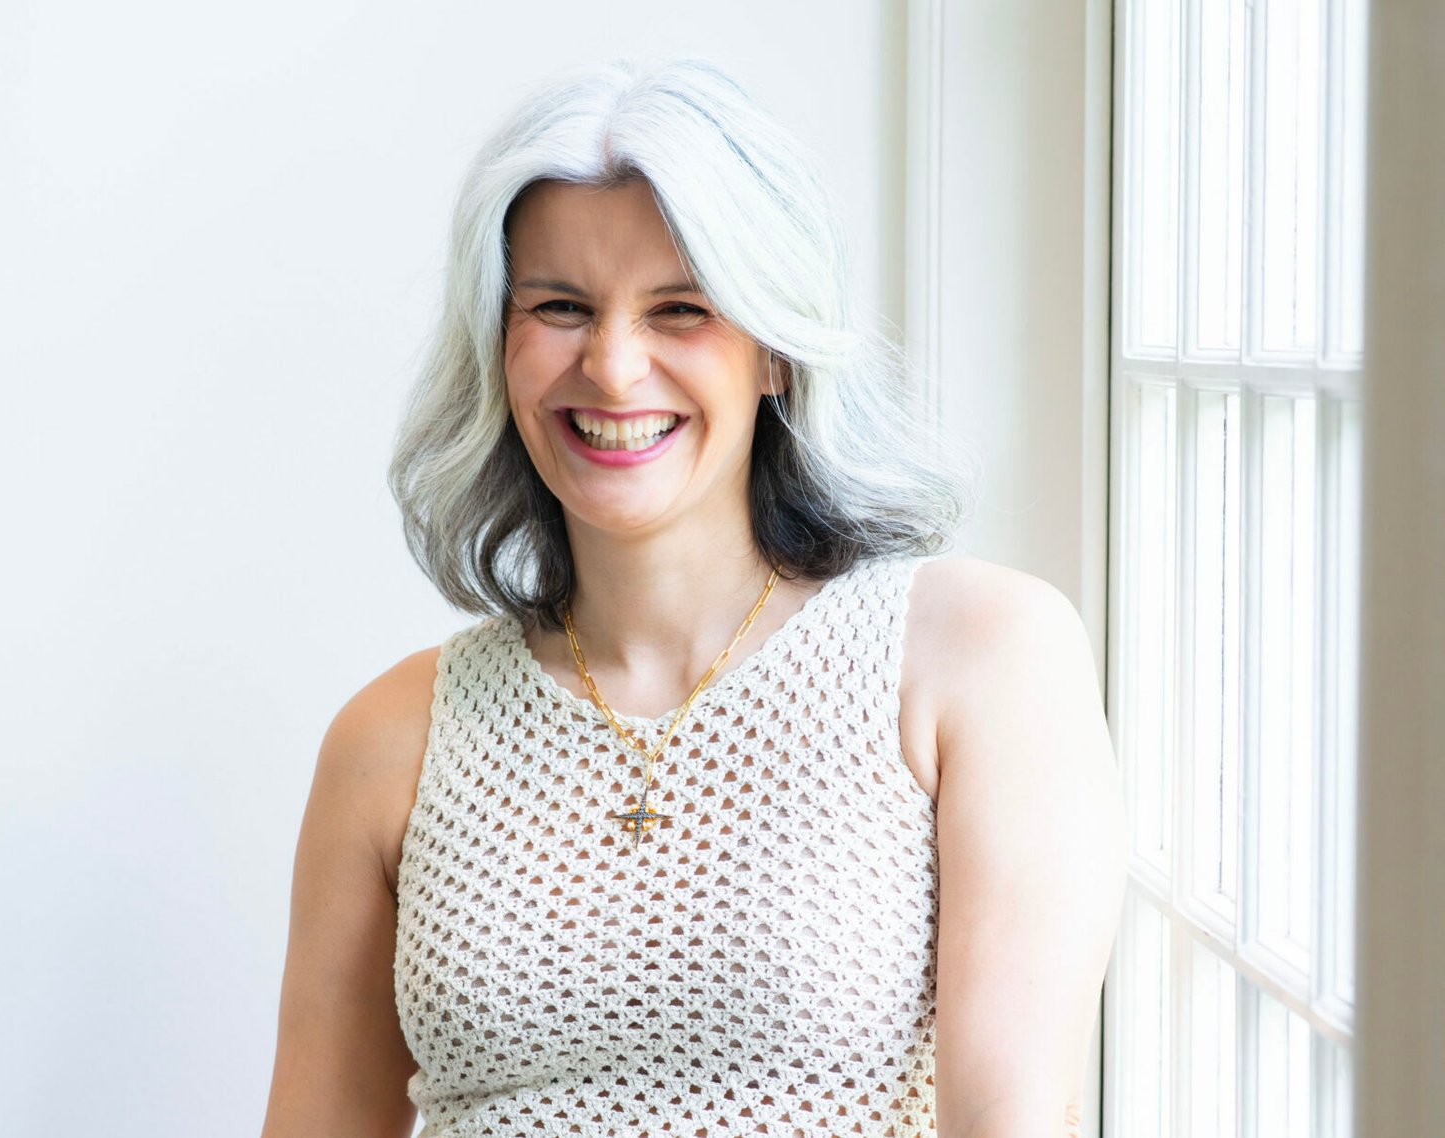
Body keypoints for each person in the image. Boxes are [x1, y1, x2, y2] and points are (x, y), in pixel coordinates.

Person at [260, 58, 1126, 1138]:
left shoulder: (977, 657)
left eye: (681, 310)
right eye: (561, 307)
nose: (614, 368)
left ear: (776, 352)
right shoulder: (390, 737)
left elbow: (1014, 1118)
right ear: (497, 347)